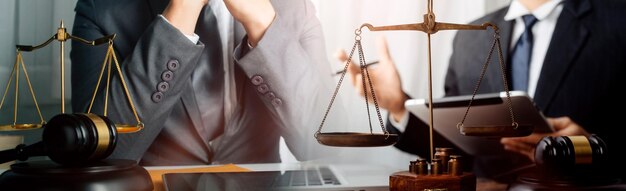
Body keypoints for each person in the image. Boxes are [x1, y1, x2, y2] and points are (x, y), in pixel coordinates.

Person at [338, 0, 626, 181]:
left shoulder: (617, 20)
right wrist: (399, 105)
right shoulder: (471, 35)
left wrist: (590, 148)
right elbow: (450, 142)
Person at [70, 0, 342, 166]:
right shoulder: (100, 8)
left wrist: (263, 24)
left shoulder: (295, 8)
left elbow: (329, 147)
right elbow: (97, 153)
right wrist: (182, 10)